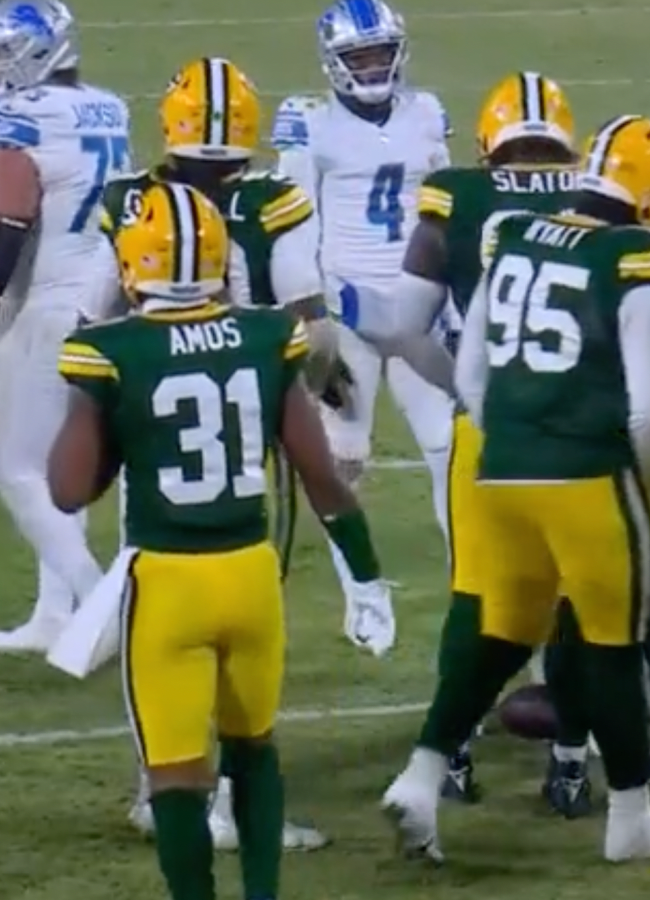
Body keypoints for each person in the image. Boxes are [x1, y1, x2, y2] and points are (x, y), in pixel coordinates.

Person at [46, 180, 384, 900]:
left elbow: (69, 490)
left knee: (173, 774)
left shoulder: (106, 350)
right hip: (251, 579)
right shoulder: (266, 335)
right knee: (254, 749)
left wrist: (103, 418)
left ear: (133, 260)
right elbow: (321, 474)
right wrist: (366, 575)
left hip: (168, 584)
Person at [382, 114, 650, 864]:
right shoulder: (641, 259)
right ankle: (631, 821)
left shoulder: (517, 235)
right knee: (613, 646)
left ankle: (422, 774)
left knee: (503, 631)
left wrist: (512, 440)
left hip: (501, 467)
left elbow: (469, 373)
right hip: (589, 475)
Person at [87, 56, 342, 854]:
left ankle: (156, 784)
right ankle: (227, 800)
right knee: (245, 622)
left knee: (154, 604)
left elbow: (93, 313)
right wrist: (305, 390)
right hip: (245, 422)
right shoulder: (269, 202)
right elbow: (312, 319)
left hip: (153, 424)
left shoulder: (133, 198)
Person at [350, 71, 594, 813]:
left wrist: (466, 389)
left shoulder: (455, 196)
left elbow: (399, 329)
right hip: (583, 434)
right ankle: (571, 760)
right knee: (578, 596)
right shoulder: (600, 195)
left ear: (489, 141)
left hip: (490, 434)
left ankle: (450, 751)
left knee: (476, 595)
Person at [0, 0, 121, 655]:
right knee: (59, 457)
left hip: (48, 304)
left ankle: (101, 608)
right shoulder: (106, 105)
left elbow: (7, 232)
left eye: (4, 50)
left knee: (12, 466)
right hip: (100, 294)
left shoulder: (19, 116)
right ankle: (53, 611)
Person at [272, 0, 454, 655]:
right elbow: (293, 221)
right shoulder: (307, 122)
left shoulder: (427, 112)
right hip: (345, 312)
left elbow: (444, 208)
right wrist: (307, 305)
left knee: (447, 447)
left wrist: (452, 295)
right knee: (341, 459)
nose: (373, 65)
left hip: (415, 306)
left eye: (380, 53)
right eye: (360, 57)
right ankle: (364, 593)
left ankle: (472, 581)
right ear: (335, 63)